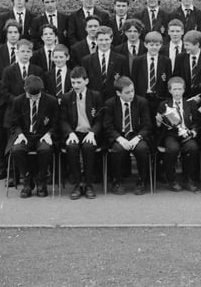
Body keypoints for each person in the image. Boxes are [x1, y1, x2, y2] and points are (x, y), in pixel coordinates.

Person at [8, 75, 58, 198]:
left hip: (43, 135)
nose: (34, 98)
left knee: (45, 150)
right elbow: (14, 122)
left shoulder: (51, 101)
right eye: (31, 96)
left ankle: (41, 180)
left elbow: (56, 122)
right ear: (25, 90)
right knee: (17, 150)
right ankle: (27, 181)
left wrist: (49, 134)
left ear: (41, 90)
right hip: (25, 135)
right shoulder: (18, 101)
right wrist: (19, 134)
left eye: (37, 96)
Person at [59, 66, 104, 200]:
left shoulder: (95, 96)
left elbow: (100, 120)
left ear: (86, 81)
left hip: (90, 132)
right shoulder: (66, 97)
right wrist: (69, 133)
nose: (76, 85)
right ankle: (78, 184)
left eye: (79, 82)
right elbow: (62, 120)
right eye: (73, 82)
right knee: (72, 147)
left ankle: (88, 185)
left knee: (88, 147)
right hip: (74, 132)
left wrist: (93, 133)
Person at [104, 76, 153, 195]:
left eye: (133, 91)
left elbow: (147, 125)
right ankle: (117, 181)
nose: (131, 94)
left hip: (135, 134)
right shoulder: (110, 104)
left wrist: (138, 138)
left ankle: (142, 181)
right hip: (119, 135)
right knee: (117, 149)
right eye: (127, 92)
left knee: (142, 149)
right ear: (118, 93)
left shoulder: (141, 102)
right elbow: (107, 126)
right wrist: (120, 139)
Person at [155, 77, 201, 192]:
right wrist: (158, 122)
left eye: (179, 89)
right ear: (170, 90)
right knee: (172, 149)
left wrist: (194, 131)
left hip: (187, 134)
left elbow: (197, 122)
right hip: (171, 134)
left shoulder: (190, 104)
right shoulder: (164, 105)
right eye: (174, 89)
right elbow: (160, 127)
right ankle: (171, 180)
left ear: (184, 90)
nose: (177, 92)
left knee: (192, 148)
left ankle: (189, 179)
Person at [0, 19, 21, 180]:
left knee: (16, 133)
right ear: (5, 34)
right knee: (1, 134)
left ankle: (18, 169)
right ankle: (3, 167)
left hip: (19, 99)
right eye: (10, 32)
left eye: (16, 32)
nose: (13, 35)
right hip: (1, 100)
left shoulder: (25, 50)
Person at [131, 31, 172, 120]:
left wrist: (166, 99)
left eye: (157, 45)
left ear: (161, 45)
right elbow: (133, 80)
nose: (154, 47)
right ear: (146, 45)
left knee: (158, 122)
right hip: (143, 97)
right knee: (145, 121)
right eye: (151, 45)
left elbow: (168, 82)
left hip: (159, 98)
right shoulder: (138, 61)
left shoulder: (166, 61)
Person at [81, 26, 129, 102]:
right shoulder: (87, 60)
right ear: (96, 40)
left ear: (111, 39)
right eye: (101, 40)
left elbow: (124, 82)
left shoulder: (121, 60)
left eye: (106, 39)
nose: (104, 43)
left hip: (114, 100)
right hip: (94, 100)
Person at [172, 30, 201, 103]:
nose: (185, 47)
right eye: (184, 45)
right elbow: (176, 78)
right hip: (185, 99)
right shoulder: (180, 58)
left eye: (187, 45)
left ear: (197, 44)